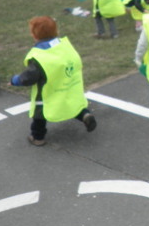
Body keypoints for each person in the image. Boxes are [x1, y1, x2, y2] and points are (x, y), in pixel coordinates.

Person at [10, 16, 97, 146]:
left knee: (40, 114)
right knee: (72, 104)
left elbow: (29, 77)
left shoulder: (38, 56)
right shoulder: (64, 45)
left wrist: (15, 80)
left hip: (49, 89)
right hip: (68, 84)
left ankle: (37, 137)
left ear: (34, 35)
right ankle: (85, 115)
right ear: (56, 31)